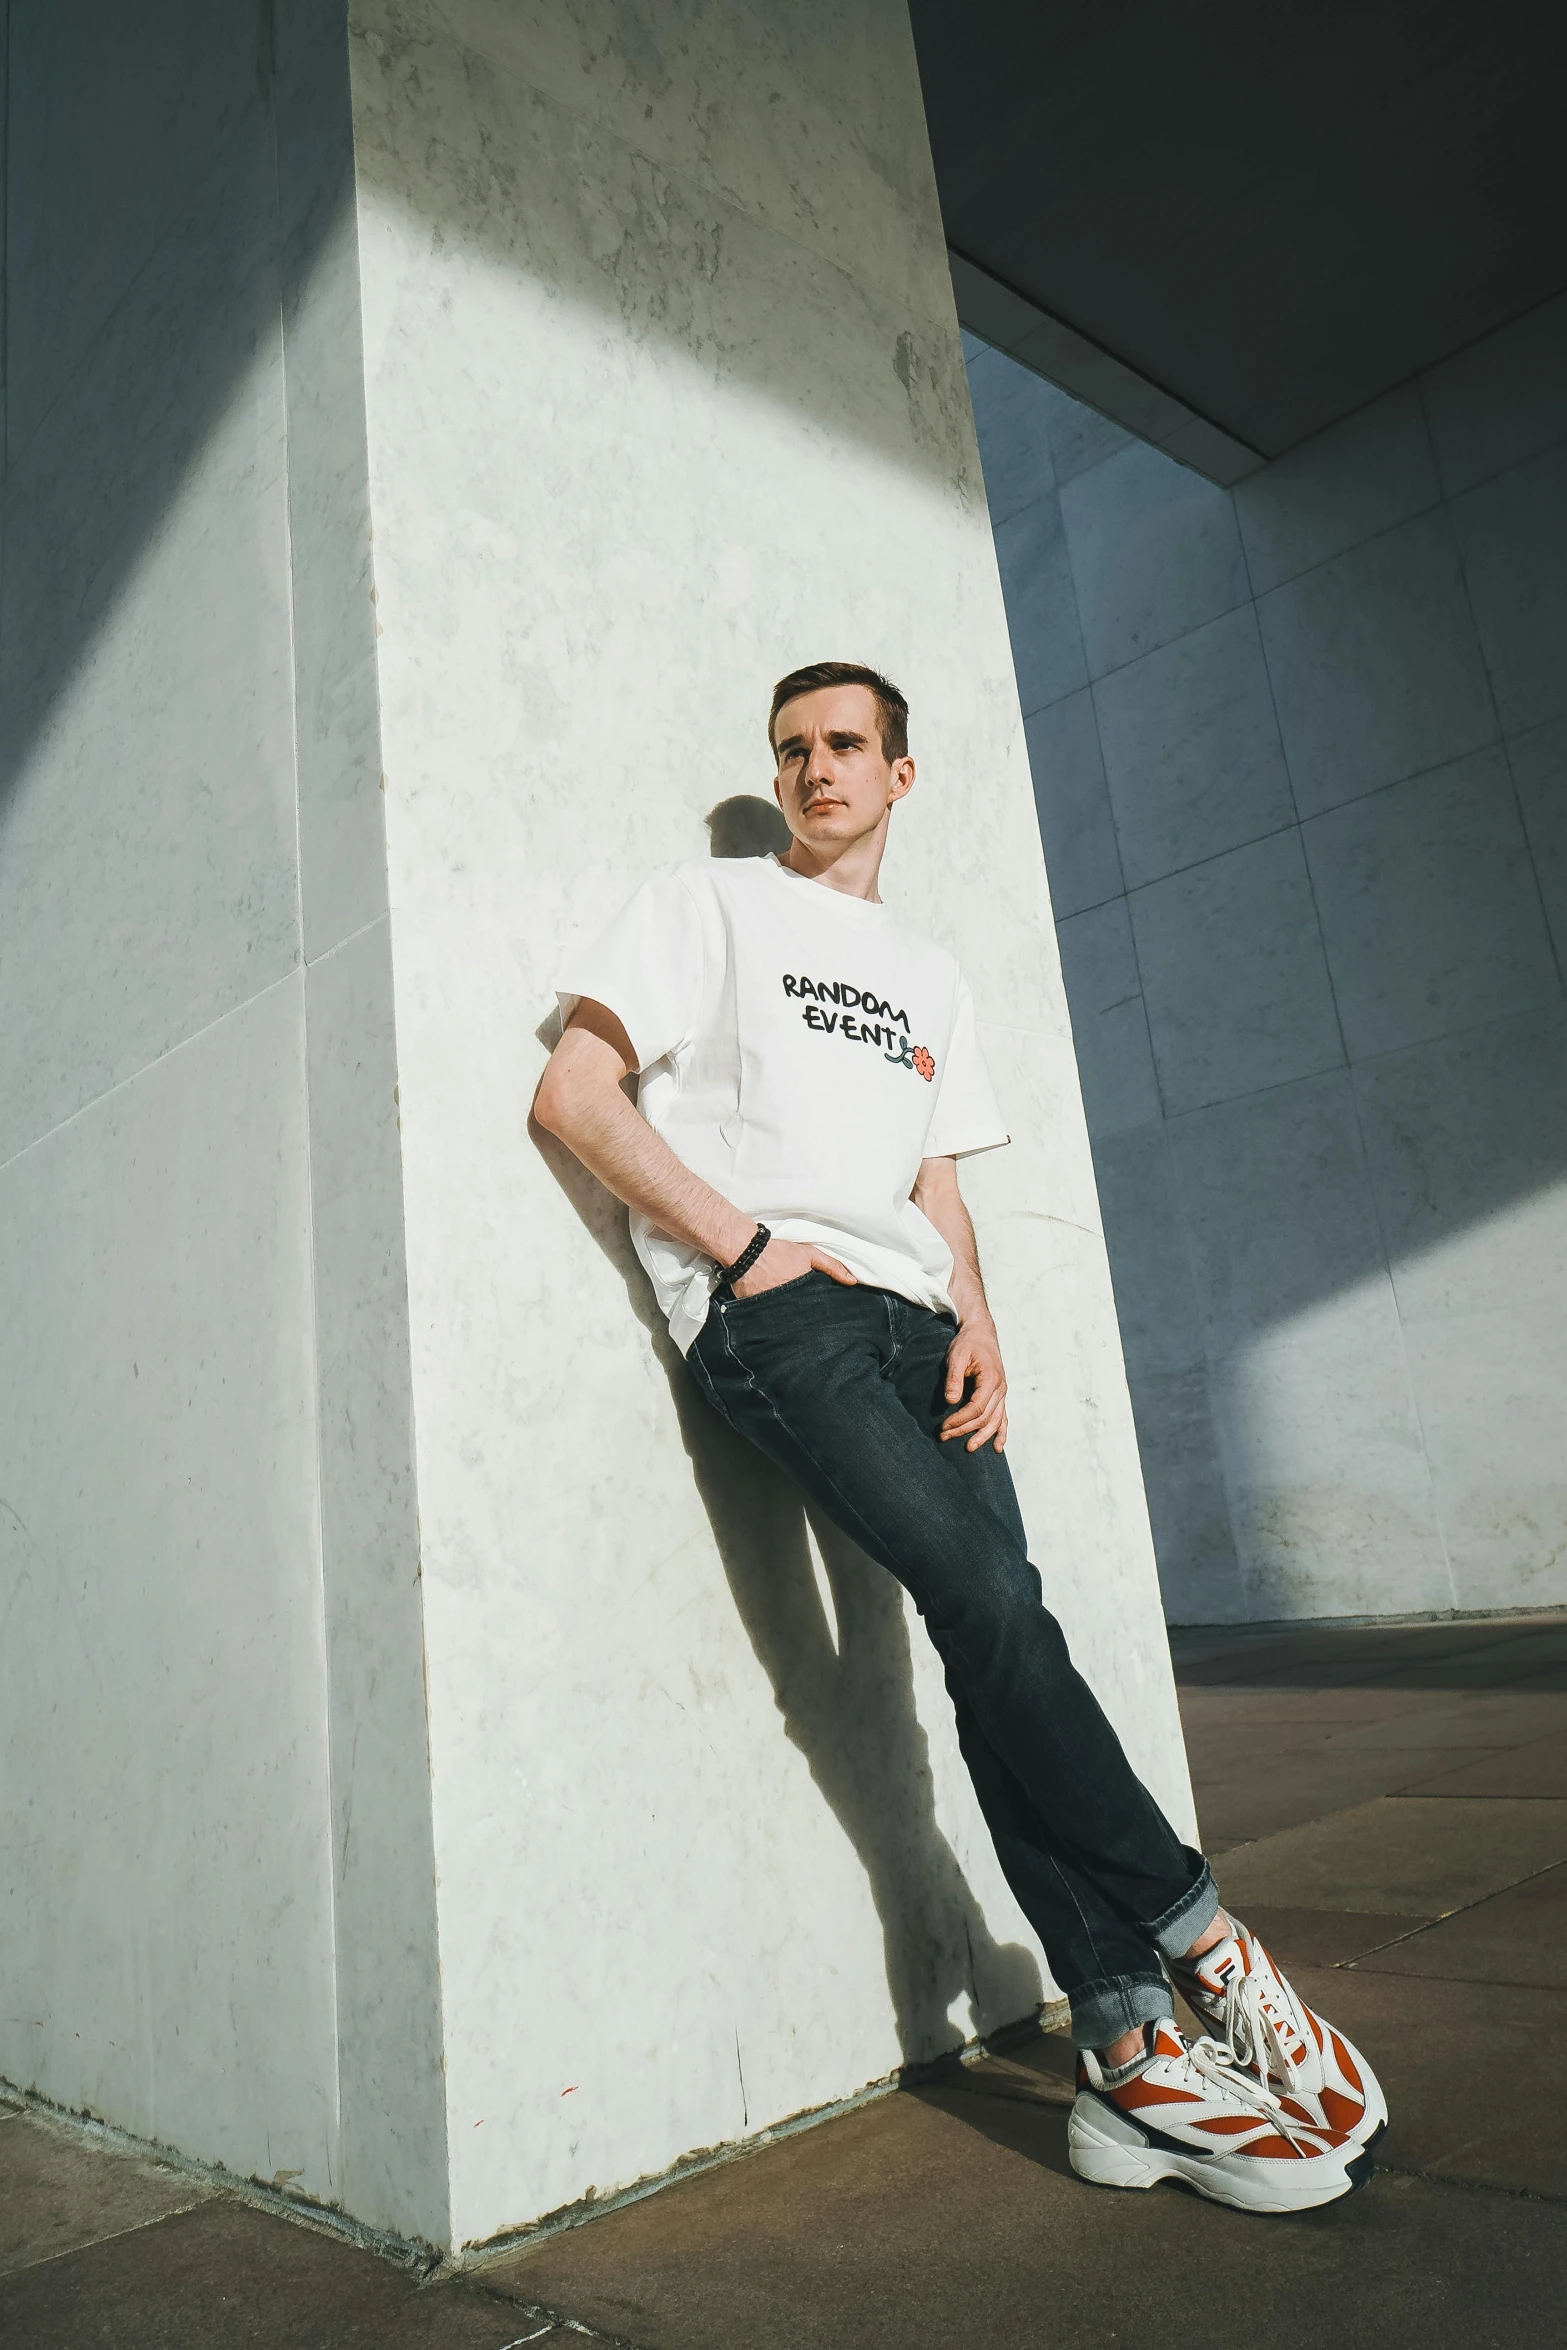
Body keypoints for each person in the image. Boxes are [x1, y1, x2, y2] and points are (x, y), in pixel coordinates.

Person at [535, 660, 1386, 2215]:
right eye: (790, 749)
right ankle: (1199, 1937)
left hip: (922, 1329)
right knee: (987, 1603)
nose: (813, 769)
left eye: (844, 745)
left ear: (899, 774)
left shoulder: (927, 973)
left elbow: (936, 1180)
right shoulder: (704, 905)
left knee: (1002, 1637)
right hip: (782, 1316)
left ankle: (1125, 2063)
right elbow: (573, 1096)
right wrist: (742, 1251)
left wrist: (977, 1311)